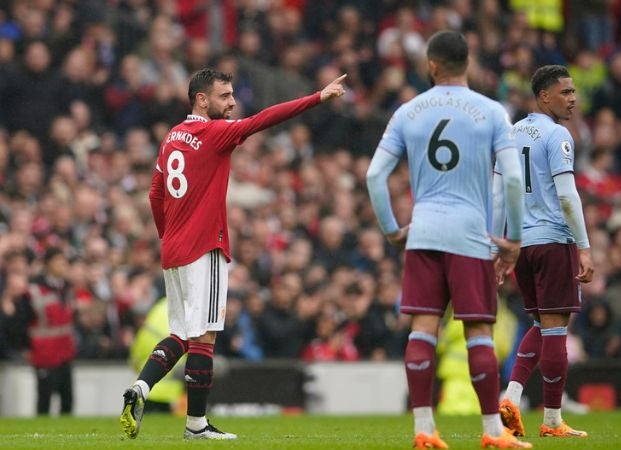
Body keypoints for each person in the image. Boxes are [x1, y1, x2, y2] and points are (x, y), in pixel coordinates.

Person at [120, 67, 346, 440]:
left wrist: (169, 235)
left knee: (180, 333)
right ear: (202, 99)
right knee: (205, 336)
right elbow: (263, 120)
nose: (233, 103)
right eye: (225, 96)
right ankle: (196, 425)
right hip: (204, 246)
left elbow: (155, 194)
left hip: (174, 249)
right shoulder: (213, 133)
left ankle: (140, 388)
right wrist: (316, 98)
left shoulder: (172, 137)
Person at [366, 30, 530, 449]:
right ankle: (493, 432)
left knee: (423, 329)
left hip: (423, 232)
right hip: (471, 234)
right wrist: (511, 238)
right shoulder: (493, 111)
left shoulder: (408, 111)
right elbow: (512, 177)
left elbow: (374, 176)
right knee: (478, 331)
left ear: (432, 65)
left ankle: (424, 429)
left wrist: (391, 230)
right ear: (468, 63)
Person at [493, 65, 595, 438]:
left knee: (538, 324)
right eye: (565, 92)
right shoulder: (557, 135)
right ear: (544, 97)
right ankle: (552, 420)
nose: (572, 99)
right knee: (555, 331)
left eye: (573, 92)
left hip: (522, 245)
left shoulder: (509, 133)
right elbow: (567, 196)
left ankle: (512, 396)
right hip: (553, 240)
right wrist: (584, 248)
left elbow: (498, 194)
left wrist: (501, 247)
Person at [12, 248, 77, 415]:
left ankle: (67, 436)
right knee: (45, 398)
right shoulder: (33, 291)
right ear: (48, 264)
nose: (63, 265)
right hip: (44, 353)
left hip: (65, 352)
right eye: (58, 261)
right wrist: (24, 348)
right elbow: (20, 322)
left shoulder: (67, 288)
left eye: (64, 262)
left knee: (67, 398)